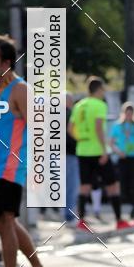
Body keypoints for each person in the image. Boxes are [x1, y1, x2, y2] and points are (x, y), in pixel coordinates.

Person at [0, 35, 57, 267]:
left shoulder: (20, 89)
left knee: (4, 223)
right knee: (7, 222)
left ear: (7, 62)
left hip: (11, 167)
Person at [69, 76, 134, 231]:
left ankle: (82, 221)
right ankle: (119, 220)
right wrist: (104, 150)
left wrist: (82, 139)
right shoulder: (99, 105)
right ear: (99, 90)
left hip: (82, 150)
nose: (104, 92)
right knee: (112, 185)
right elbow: (99, 128)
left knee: (84, 186)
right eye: (103, 89)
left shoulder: (79, 105)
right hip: (98, 151)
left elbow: (70, 129)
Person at [110, 101, 134, 222]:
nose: (129, 116)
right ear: (123, 113)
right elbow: (111, 143)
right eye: (127, 114)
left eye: (131, 114)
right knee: (124, 186)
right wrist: (118, 151)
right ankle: (123, 211)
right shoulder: (117, 126)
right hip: (123, 158)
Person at [63, 93, 79, 224]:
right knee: (71, 185)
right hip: (70, 153)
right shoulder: (72, 115)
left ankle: (67, 212)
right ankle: (69, 214)